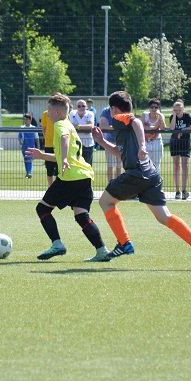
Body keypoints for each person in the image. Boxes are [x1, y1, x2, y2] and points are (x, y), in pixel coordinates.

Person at [92, 91, 191, 271]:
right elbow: (122, 153)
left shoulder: (119, 118)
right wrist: (102, 142)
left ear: (114, 108)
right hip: (150, 174)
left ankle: (124, 243)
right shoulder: (123, 124)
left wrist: (142, 146)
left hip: (137, 173)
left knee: (105, 202)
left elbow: (137, 122)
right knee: (164, 216)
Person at [25, 93, 110, 262]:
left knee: (42, 209)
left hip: (70, 177)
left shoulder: (60, 124)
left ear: (57, 111)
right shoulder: (70, 124)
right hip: (84, 175)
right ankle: (102, 251)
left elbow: (64, 139)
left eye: (49, 111)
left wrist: (63, 159)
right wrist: (42, 155)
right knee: (81, 215)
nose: (47, 115)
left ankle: (57, 244)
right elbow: (66, 154)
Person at [169, 99, 191, 199]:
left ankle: (184, 190)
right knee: (176, 166)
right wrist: (174, 116)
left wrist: (183, 129)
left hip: (185, 143)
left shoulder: (187, 116)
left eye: (179, 110)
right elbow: (172, 128)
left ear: (183, 109)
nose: (177, 112)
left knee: (185, 166)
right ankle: (177, 191)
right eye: (175, 110)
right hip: (175, 143)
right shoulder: (172, 117)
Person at [142, 98, 167, 173]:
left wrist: (160, 117)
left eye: (156, 107)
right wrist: (153, 128)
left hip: (157, 142)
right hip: (146, 142)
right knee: (146, 164)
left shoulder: (160, 116)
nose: (154, 109)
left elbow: (163, 128)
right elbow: (142, 126)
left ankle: (156, 179)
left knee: (156, 164)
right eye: (152, 107)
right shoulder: (145, 115)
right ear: (149, 108)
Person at [70, 99, 95, 165]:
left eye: (83, 106)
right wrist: (84, 128)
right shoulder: (72, 113)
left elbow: (91, 126)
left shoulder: (90, 113)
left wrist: (77, 127)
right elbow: (71, 126)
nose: (81, 107)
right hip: (75, 143)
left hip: (88, 143)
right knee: (76, 164)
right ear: (76, 107)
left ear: (86, 106)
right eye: (79, 106)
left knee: (88, 164)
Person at [99, 104, 120, 182]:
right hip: (109, 141)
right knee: (110, 165)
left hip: (120, 141)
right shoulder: (106, 111)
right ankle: (110, 185)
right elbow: (102, 126)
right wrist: (115, 127)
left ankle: (118, 185)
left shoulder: (122, 109)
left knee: (119, 166)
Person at [40, 104, 57, 186]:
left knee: (60, 170)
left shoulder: (64, 114)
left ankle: (59, 188)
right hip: (49, 145)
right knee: (49, 169)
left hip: (60, 145)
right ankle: (51, 187)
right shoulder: (45, 114)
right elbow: (43, 128)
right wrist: (47, 139)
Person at [18, 114, 37, 179]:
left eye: (27, 119)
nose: (25, 121)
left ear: (30, 120)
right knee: (26, 160)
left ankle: (29, 172)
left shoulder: (33, 128)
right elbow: (19, 136)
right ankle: (27, 172)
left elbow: (36, 137)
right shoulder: (22, 128)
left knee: (30, 160)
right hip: (24, 147)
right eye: (24, 119)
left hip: (31, 146)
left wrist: (38, 146)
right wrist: (20, 141)